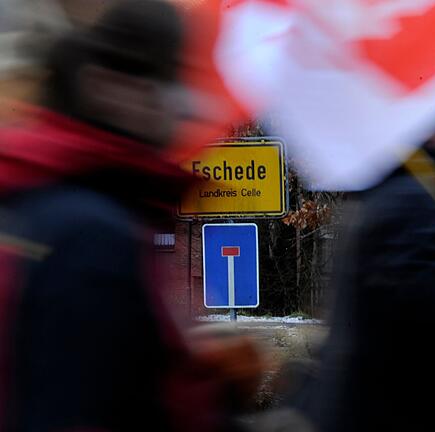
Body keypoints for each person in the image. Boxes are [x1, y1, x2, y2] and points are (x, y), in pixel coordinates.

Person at [0, 1, 259, 430]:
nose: (188, 106)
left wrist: (214, 385)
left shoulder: (60, 200)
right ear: (116, 88)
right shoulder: (94, 231)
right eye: (174, 77)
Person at [291, 115, 435, 431]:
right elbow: (427, 304)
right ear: (431, 132)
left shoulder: (392, 192)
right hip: (387, 410)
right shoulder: (414, 200)